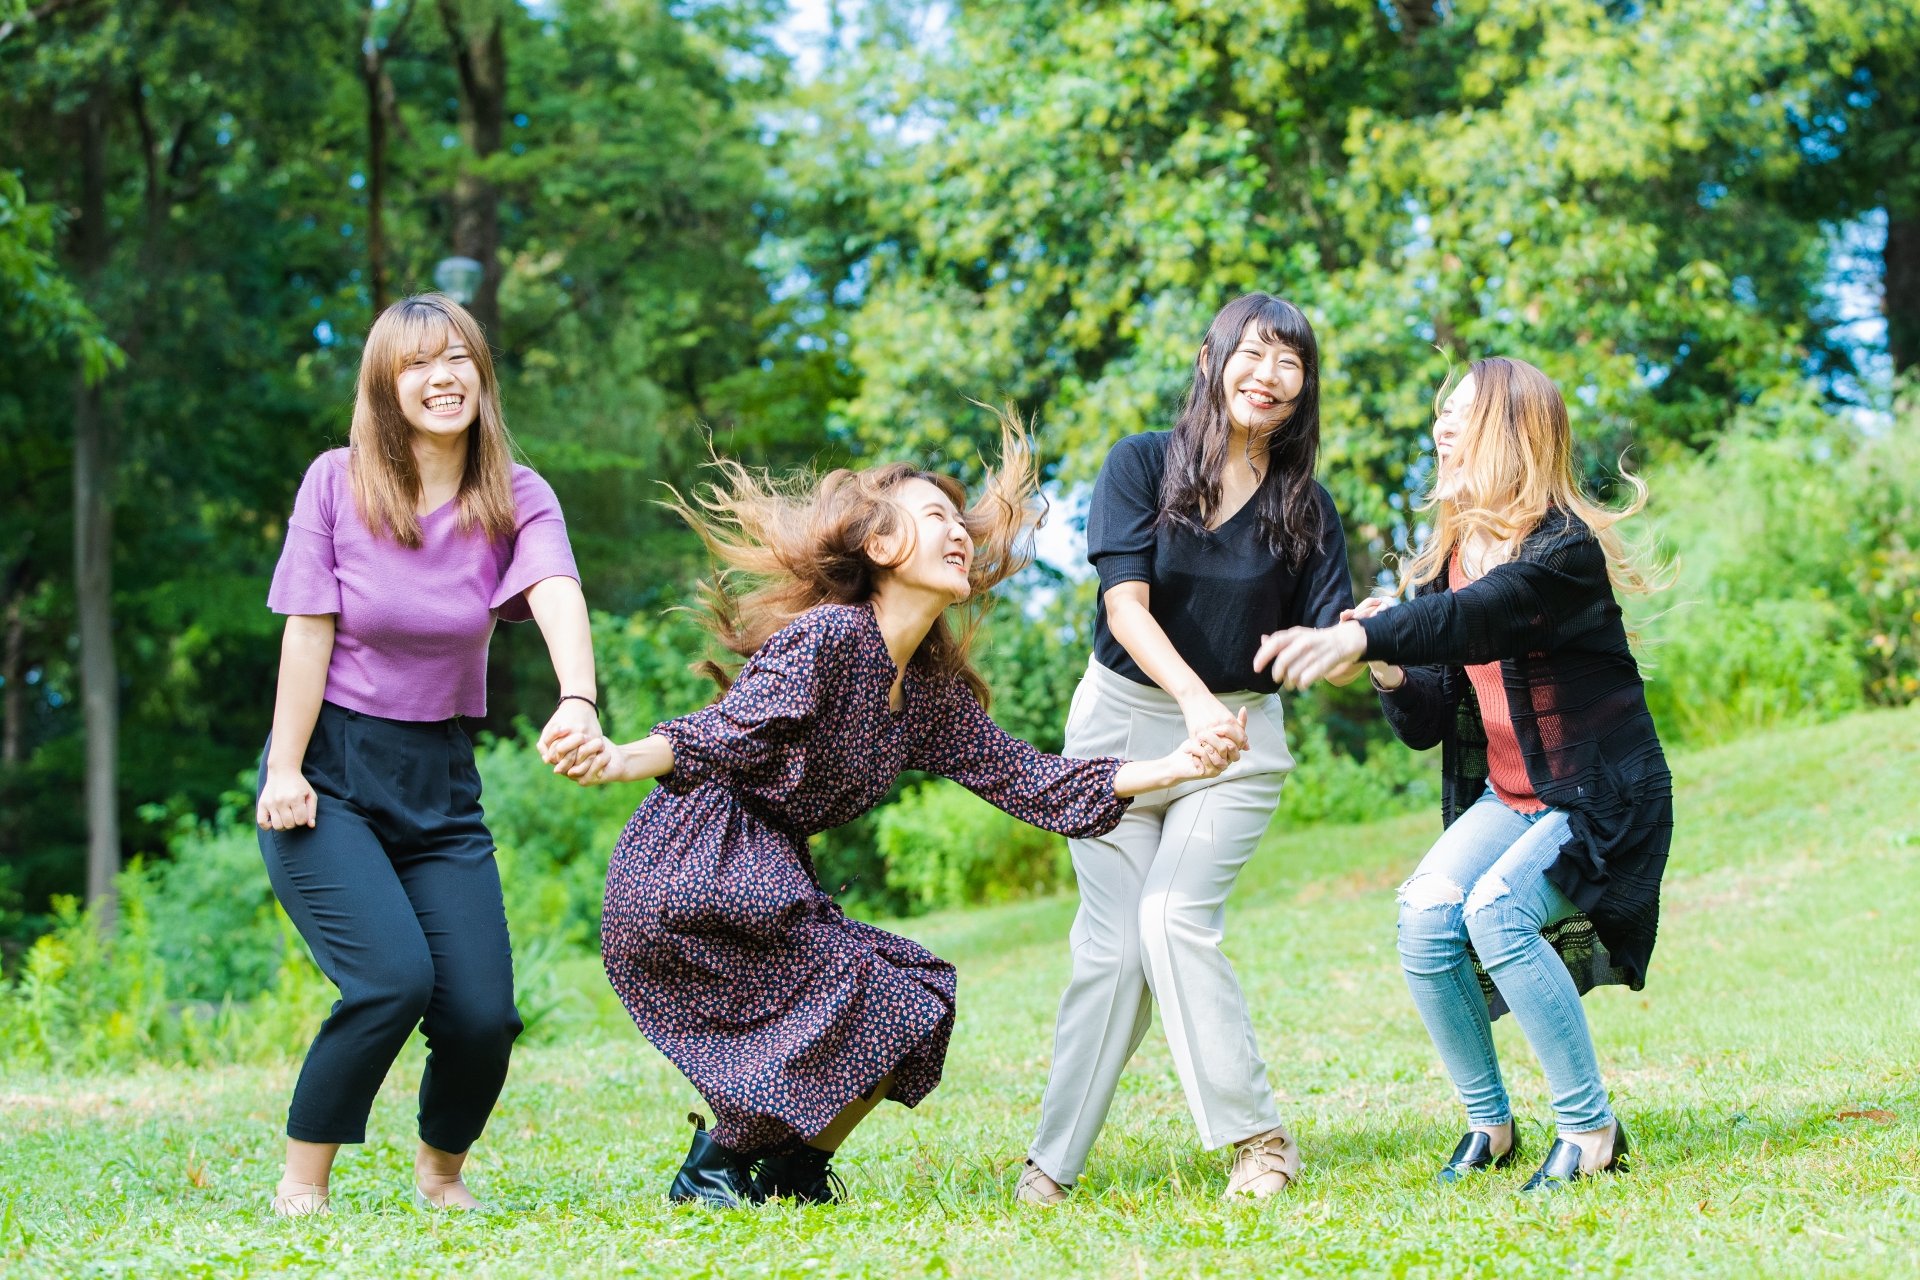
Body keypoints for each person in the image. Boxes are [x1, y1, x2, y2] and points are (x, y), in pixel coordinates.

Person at [542, 421, 1243, 1207]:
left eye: (957, 520)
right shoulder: (830, 637)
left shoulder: (927, 694)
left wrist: (1176, 766)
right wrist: (619, 756)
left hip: (759, 868)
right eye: (932, 516)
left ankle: (791, 1172)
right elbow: (725, 730)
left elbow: (1033, 781)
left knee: (915, 998)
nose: (956, 531)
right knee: (861, 990)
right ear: (879, 547)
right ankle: (716, 1164)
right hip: (698, 860)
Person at [1257, 356, 1672, 1193]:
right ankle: (1491, 1122)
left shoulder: (1561, 550)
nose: (1440, 427)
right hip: (1511, 799)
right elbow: (1427, 718)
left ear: (1510, 434)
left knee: (1497, 911)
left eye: (1463, 413)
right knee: (1424, 914)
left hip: (1599, 799)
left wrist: (1371, 636)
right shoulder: (1454, 554)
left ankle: (1592, 1130)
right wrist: (1378, 667)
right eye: (1441, 412)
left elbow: (1476, 618)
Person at [255, 294, 600, 1217]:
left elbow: (557, 589)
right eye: (416, 363)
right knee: (391, 980)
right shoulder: (335, 480)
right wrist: (285, 768)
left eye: (458, 358)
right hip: (327, 772)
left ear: (483, 375)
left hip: (439, 780)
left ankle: (441, 1174)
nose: (440, 377)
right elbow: (307, 632)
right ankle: (303, 1185)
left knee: (483, 1015)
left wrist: (579, 698)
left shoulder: (517, 496)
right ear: (385, 383)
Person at [1017, 293, 1357, 1206]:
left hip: (1240, 740)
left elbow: (1331, 647)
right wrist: (1193, 704)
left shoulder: (1308, 507)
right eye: (1253, 353)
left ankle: (1258, 1139)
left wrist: (1368, 644)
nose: (1269, 375)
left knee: (1172, 920)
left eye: (1290, 362)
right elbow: (1125, 608)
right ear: (1211, 360)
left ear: (1304, 386)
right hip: (1120, 731)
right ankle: (1051, 1166)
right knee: (1112, 952)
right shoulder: (1140, 464)